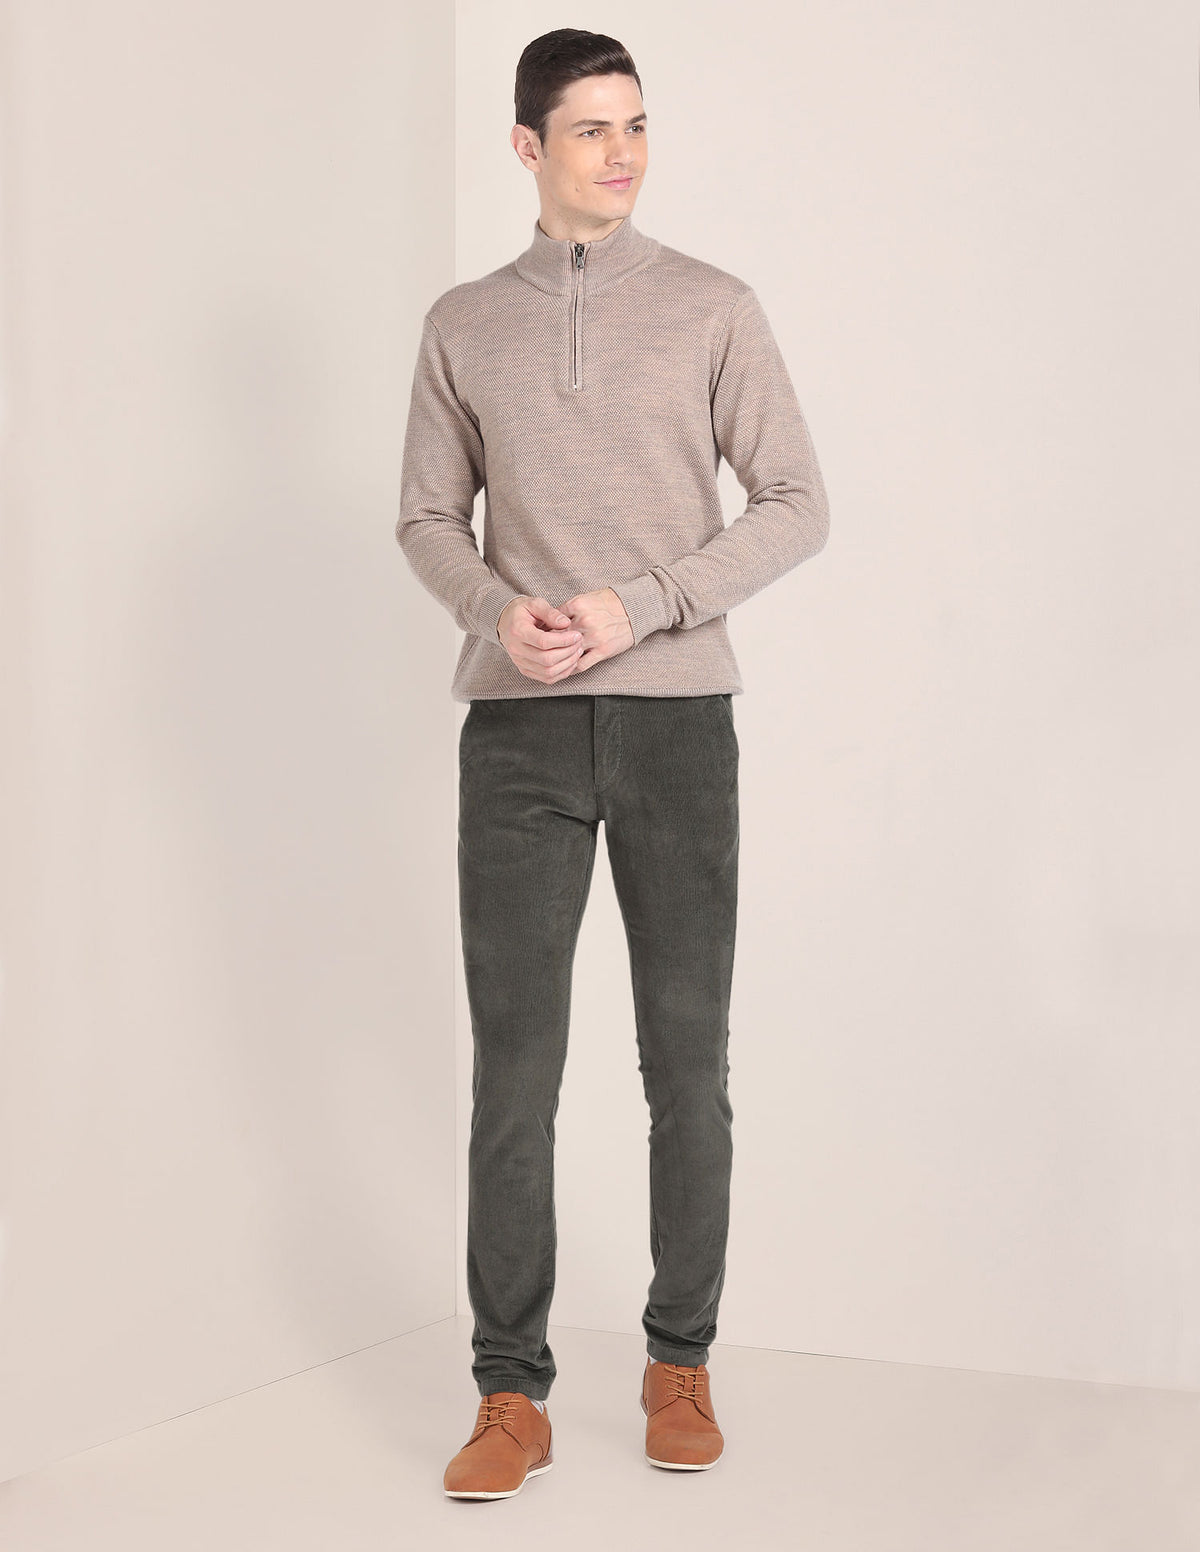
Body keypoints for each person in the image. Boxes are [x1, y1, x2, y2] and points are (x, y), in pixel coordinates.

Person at [396, 28, 830, 1501]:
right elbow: (426, 518)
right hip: (517, 732)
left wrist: (637, 607)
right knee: (514, 1074)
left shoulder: (713, 306)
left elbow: (794, 500)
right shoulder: (464, 322)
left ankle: (679, 1361)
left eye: (636, 125)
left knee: (687, 1065)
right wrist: (493, 611)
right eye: (591, 129)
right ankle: (508, 1392)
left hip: (676, 724)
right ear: (527, 147)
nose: (623, 153)